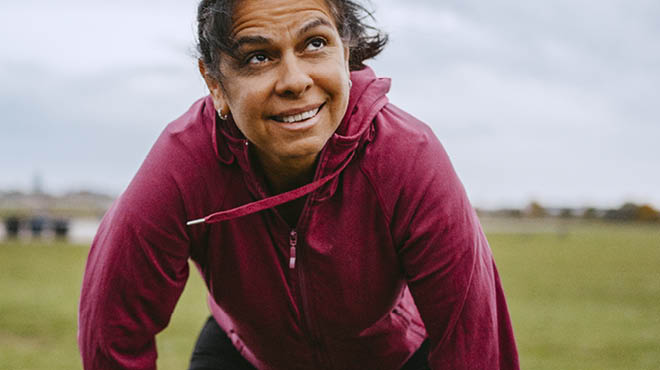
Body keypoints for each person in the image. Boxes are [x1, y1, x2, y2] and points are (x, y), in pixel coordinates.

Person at [78, 0, 520, 369]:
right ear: (214, 83)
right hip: (248, 355)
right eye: (258, 56)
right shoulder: (183, 164)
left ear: (345, 54)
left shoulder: (408, 157)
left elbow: (477, 344)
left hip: (394, 357)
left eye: (315, 43)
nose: (294, 81)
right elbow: (112, 334)